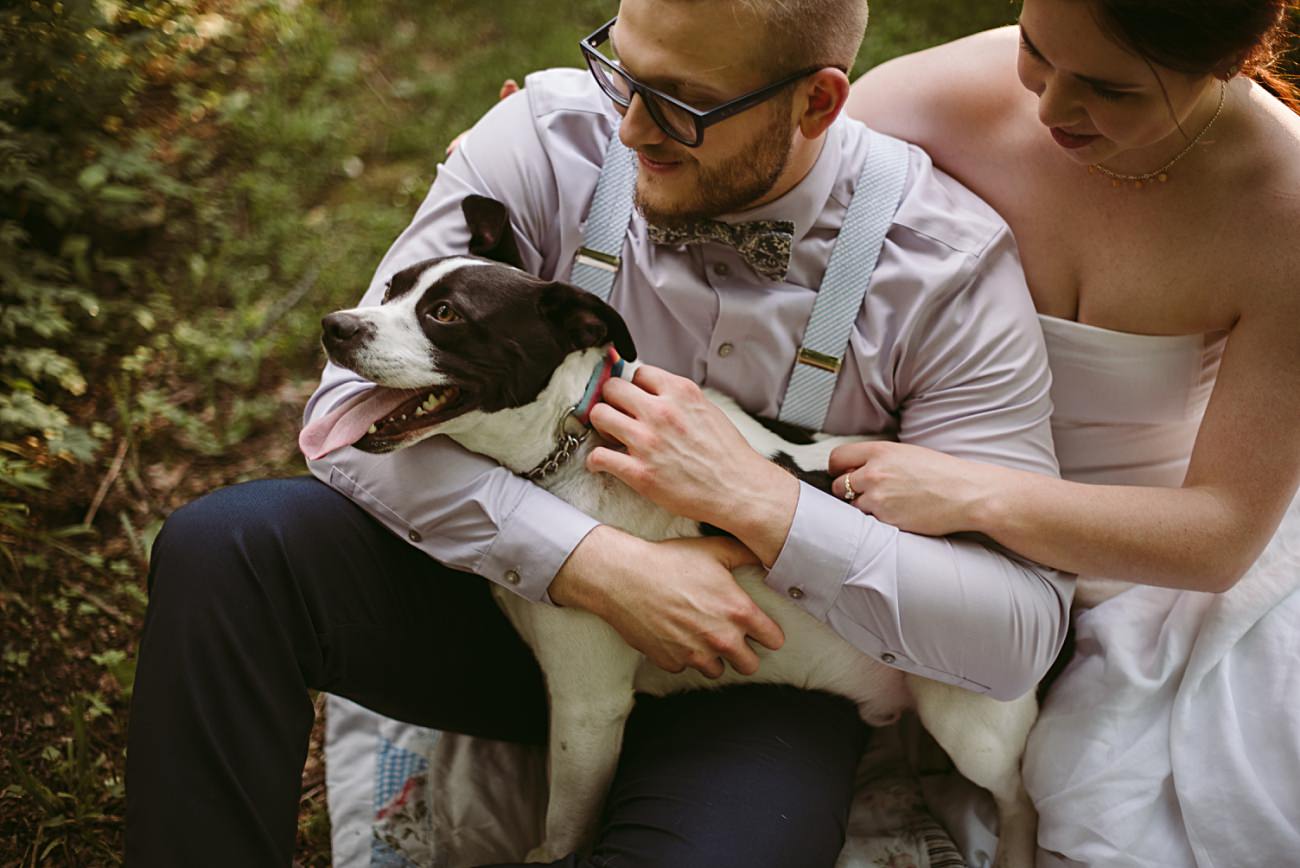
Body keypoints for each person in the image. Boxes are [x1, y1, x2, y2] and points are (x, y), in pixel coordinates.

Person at [125, 0, 1075, 865]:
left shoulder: (946, 275)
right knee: (227, 551)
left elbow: (1017, 633)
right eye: (621, 72)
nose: (625, 129)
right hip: (487, 603)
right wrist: (590, 564)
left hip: (754, 676)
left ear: (818, 103)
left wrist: (775, 511)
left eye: (682, 105)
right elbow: (342, 409)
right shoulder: (544, 138)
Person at [841, 0, 1300, 864]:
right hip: (913, 536)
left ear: (1232, 57)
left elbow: (1222, 535)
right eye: (1035, 51)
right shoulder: (926, 101)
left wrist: (968, 493)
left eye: (1109, 90)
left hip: (1139, 570)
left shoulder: (1283, 208)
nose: (1048, 108)